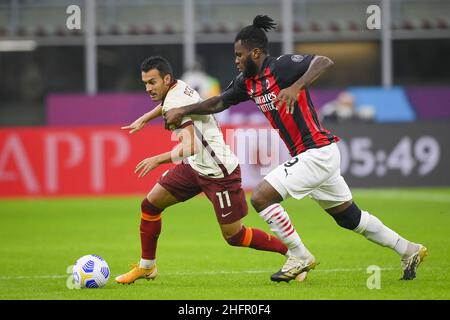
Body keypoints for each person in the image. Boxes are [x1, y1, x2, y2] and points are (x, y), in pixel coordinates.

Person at [164, 15, 427, 282]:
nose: (236, 60)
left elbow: (323, 61)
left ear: (256, 52)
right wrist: (182, 110)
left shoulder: (283, 67)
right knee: (350, 218)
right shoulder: (247, 82)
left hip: (318, 152)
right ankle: (409, 249)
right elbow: (217, 103)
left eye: (239, 54)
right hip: (312, 156)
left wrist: (295, 86)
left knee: (261, 197)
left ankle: (299, 255)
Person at [115, 56, 288, 284]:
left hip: (219, 172)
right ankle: (147, 266)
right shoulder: (178, 87)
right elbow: (166, 106)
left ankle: (291, 253)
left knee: (235, 236)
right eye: (145, 83)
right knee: (150, 205)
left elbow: (190, 146)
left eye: (152, 82)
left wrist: (157, 159)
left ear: (167, 79)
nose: (148, 88)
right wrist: (146, 118)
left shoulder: (176, 101)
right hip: (195, 166)